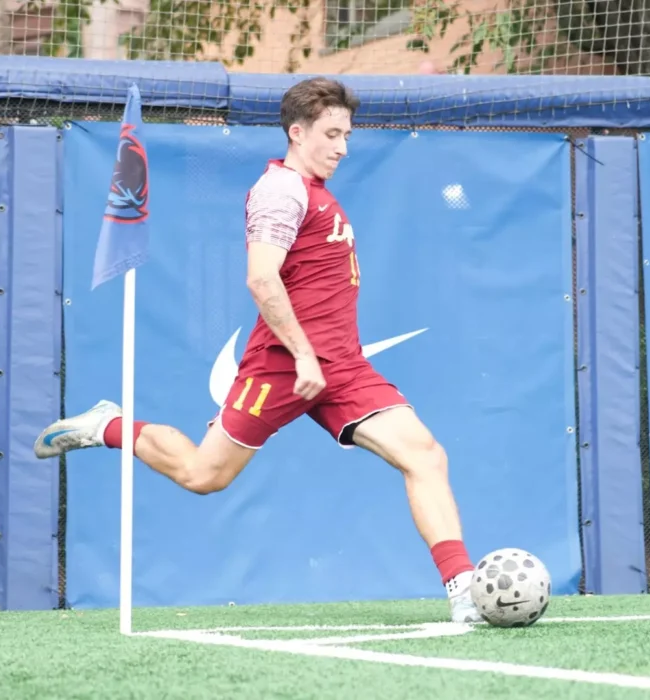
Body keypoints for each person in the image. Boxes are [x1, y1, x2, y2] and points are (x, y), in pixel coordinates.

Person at [34, 77, 480, 624]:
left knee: (426, 455)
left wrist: (324, 357)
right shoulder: (281, 190)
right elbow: (262, 280)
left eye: (347, 135)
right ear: (297, 133)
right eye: (332, 134)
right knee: (204, 475)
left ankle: (465, 591)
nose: (343, 146)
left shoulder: (317, 190)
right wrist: (304, 355)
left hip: (342, 365)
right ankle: (109, 425)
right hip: (284, 365)